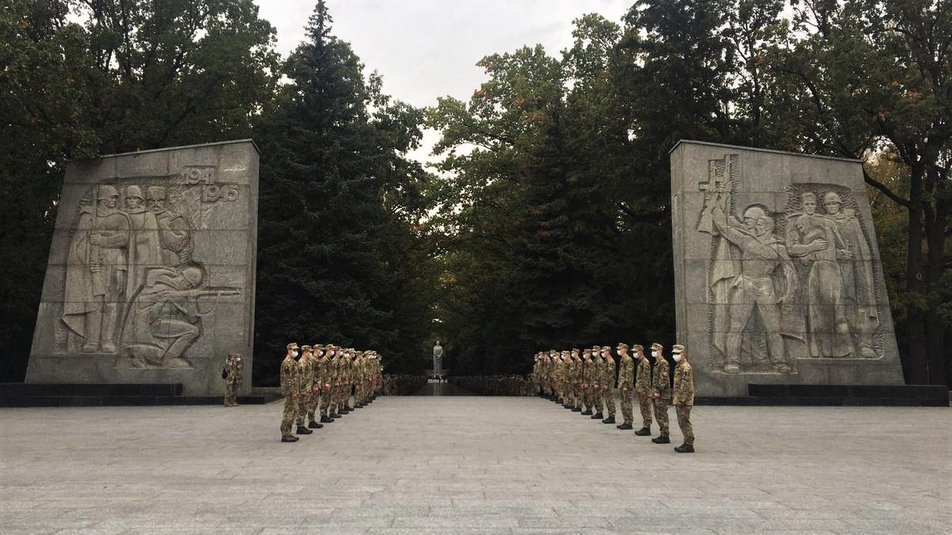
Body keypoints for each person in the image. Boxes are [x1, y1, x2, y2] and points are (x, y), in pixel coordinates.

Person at [672, 344, 695, 453]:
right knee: (682, 421)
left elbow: (685, 386)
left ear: (683, 354)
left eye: (677, 353)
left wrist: (681, 399)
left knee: (684, 421)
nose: (675, 355)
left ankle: (689, 444)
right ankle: (687, 442)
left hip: (684, 400)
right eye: (674, 353)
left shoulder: (685, 367)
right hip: (680, 399)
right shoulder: (679, 366)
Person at [650, 342, 671, 444]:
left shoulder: (663, 363)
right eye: (652, 350)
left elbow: (663, 378)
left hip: (662, 394)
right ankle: (662, 433)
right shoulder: (657, 362)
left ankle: (665, 435)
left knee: (662, 414)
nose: (653, 352)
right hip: (656, 393)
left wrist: (658, 390)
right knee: (658, 414)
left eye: (655, 350)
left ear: (660, 351)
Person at [280, 343, 301, 443]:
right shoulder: (287, 362)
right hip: (290, 391)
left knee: (294, 410)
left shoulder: (292, 361)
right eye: (293, 349)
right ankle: (285, 433)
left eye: (296, 349)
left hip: (293, 391)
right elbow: (289, 379)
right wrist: (293, 391)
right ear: (289, 350)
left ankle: (288, 432)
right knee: (289, 411)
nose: (295, 351)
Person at [294, 346, 315, 435]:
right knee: (302, 408)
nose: (310, 354)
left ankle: (302, 425)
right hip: (304, 389)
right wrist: (302, 389)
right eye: (309, 352)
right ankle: (300, 426)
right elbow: (300, 378)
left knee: (305, 407)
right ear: (305, 352)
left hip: (308, 388)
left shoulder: (308, 362)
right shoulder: (302, 363)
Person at [633, 344, 654, 436]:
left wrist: (644, 389)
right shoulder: (640, 362)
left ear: (641, 352)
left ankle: (647, 427)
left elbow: (645, 378)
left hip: (645, 390)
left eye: (636, 352)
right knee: (643, 408)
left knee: (646, 408)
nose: (634, 353)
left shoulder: (645, 362)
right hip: (642, 389)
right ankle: (645, 426)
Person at [616, 343, 635, 430]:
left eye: (620, 348)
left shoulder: (628, 359)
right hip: (622, 385)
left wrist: (626, 385)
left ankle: (629, 422)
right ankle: (625, 421)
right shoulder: (622, 359)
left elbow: (629, 374)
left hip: (626, 386)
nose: (619, 350)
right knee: (623, 403)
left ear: (625, 349)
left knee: (627, 404)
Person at [601, 346, 617, 424]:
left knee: (610, 399)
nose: (603, 353)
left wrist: (606, 383)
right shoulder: (606, 361)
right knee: (607, 400)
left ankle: (612, 416)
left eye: (604, 351)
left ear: (608, 351)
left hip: (609, 383)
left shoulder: (610, 361)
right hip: (607, 383)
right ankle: (610, 416)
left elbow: (610, 374)